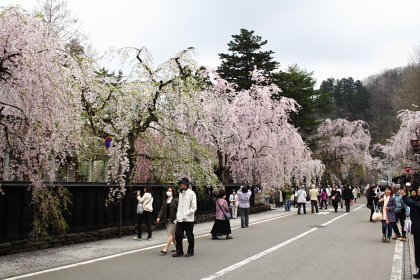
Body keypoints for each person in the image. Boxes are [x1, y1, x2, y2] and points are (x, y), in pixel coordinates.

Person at [173, 178, 197, 258]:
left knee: (189, 235)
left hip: (188, 218)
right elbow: (179, 206)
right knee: (178, 234)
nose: (181, 185)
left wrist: (188, 213)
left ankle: (190, 251)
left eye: (182, 183)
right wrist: (178, 216)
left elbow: (194, 206)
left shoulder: (191, 193)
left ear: (186, 184)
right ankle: (179, 250)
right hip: (180, 218)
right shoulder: (181, 194)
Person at [401, 188, 420, 278]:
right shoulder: (417, 198)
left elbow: (414, 204)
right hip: (417, 229)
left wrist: (404, 196)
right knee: (418, 250)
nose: (418, 190)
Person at [156, 187, 178, 254]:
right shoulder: (165, 201)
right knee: (172, 235)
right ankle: (178, 247)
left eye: (170, 191)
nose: (168, 192)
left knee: (170, 234)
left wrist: (177, 217)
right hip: (167, 219)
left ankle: (166, 248)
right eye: (168, 190)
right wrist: (159, 217)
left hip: (174, 220)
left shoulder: (175, 200)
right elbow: (162, 210)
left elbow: (179, 209)